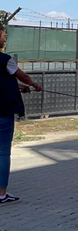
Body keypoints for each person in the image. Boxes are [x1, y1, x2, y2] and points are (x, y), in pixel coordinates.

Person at [0, 25, 42, 205]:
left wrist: (18, 89)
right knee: (2, 153)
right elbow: (21, 76)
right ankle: (1, 194)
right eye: (3, 35)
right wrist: (33, 84)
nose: (5, 39)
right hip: (2, 111)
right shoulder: (5, 59)